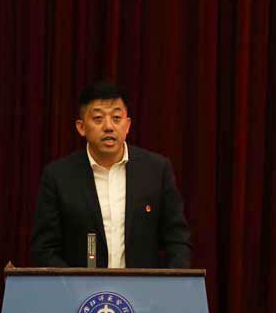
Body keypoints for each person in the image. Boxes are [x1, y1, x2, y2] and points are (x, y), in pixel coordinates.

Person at [31, 81, 191, 268]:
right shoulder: (58, 177)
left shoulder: (156, 170)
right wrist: (74, 283)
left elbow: (178, 240)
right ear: (81, 127)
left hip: (142, 286)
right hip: (80, 287)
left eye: (116, 118)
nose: (108, 126)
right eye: (98, 118)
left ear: (127, 125)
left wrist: (172, 280)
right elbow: (44, 249)